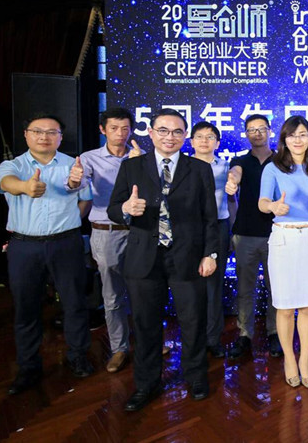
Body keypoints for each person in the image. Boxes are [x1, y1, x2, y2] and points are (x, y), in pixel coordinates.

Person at [108, 108, 220, 411]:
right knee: (145, 324)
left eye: (177, 131)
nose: (170, 137)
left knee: (193, 321)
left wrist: (210, 254)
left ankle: (196, 377)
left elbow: (210, 217)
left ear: (185, 136)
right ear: (151, 132)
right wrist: (126, 209)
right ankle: (146, 384)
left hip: (188, 257)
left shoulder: (199, 169)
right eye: (163, 130)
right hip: (144, 257)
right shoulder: (132, 166)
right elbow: (113, 208)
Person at [0, 114, 94, 395]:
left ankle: (77, 356)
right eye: (37, 131)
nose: (44, 137)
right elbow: (7, 183)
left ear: (60, 137)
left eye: (52, 132)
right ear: (26, 135)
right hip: (25, 246)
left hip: (66, 244)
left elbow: (85, 198)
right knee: (26, 307)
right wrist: (26, 187)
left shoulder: (73, 165)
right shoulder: (12, 165)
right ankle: (28, 366)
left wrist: (70, 219)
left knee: (75, 303)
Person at [69, 107, 142, 374]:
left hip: (139, 232)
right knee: (112, 295)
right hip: (106, 231)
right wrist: (74, 180)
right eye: (113, 128)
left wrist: (139, 166)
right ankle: (119, 348)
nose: (120, 133)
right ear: (103, 130)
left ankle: (148, 342)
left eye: (125, 128)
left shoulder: (140, 156)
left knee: (144, 291)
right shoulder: (89, 159)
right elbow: (78, 184)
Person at [258, 115, 308, 388]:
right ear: (284, 139)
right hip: (283, 238)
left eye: (302, 134)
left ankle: (305, 360)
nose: (297, 140)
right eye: (292, 135)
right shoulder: (273, 168)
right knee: (285, 307)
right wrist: (273, 206)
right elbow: (262, 202)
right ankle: (289, 358)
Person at [226, 114, 281, 358]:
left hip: (276, 234)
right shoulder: (240, 161)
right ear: (246, 134)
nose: (257, 133)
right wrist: (232, 181)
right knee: (245, 288)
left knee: (275, 288)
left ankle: (274, 332)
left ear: (270, 131)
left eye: (261, 128)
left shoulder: (281, 160)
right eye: (251, 129)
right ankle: (244, 335)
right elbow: (235, 173)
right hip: (245, 234)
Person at [190, 121, 231, 359]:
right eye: (199, 137)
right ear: (191, 141)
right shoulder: (181, 167)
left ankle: (213, 338)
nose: (204, 141)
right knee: (190, 285)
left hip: (217, 228)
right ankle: (193, 338)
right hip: (188, 230)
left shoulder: (226, 167)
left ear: (217, 143)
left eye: (210, 137)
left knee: (214, 284)